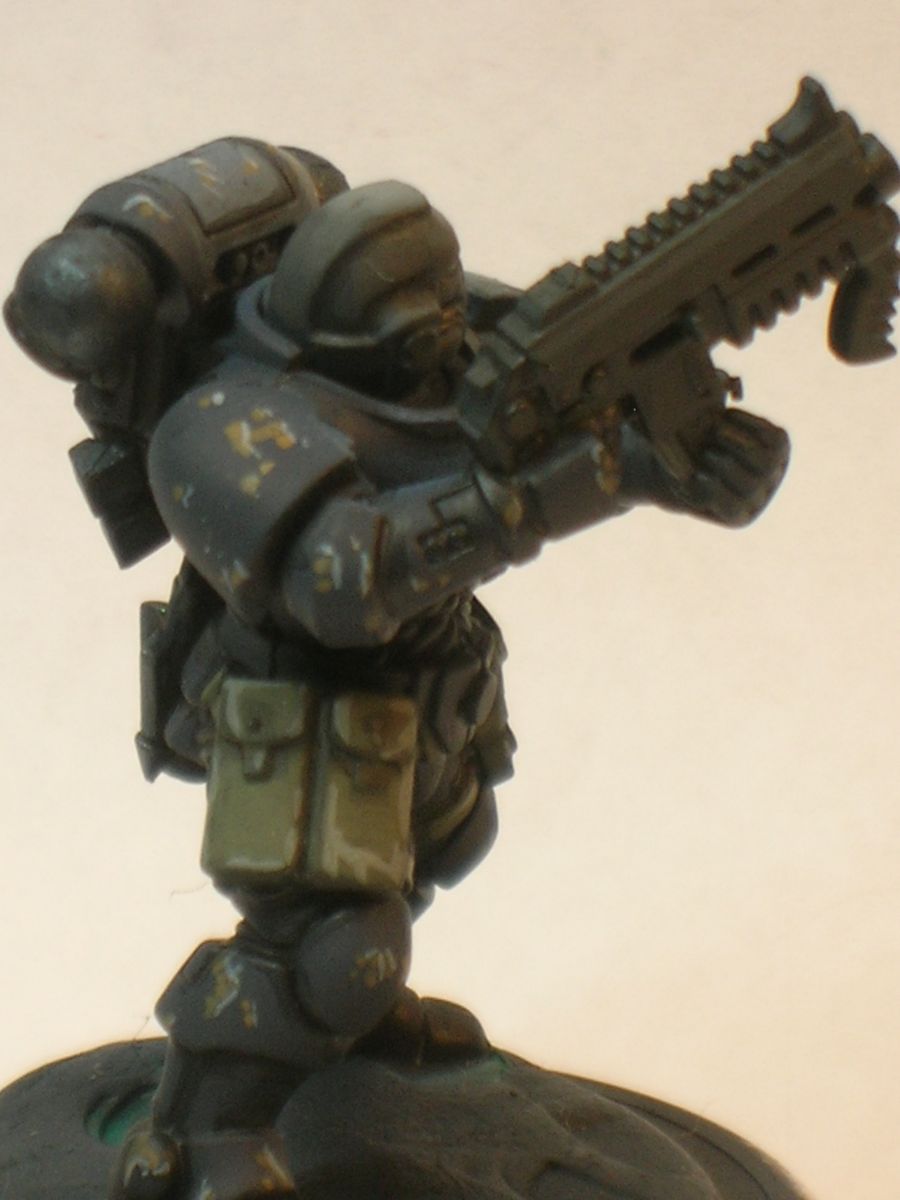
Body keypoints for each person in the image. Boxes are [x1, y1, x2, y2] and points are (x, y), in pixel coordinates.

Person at [7, 166, 789, 1200]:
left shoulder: (455, 351)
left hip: (424, 682)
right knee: (325, 936)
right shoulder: (226, 420)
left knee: (448, 841)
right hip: (302, 705)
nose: (450, 351)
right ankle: (203, 1131)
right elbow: (343, 577)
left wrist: (689, 454)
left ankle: (353, 1025)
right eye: (425, 339)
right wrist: (581, 484)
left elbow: (567, 381)